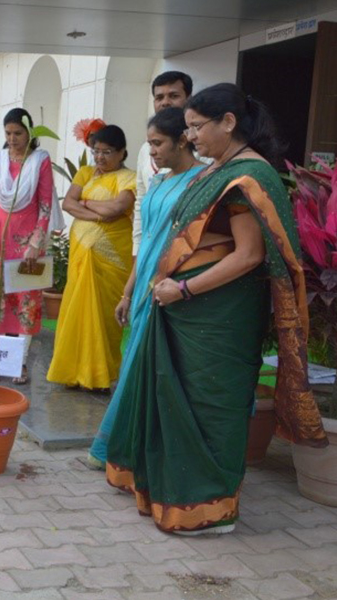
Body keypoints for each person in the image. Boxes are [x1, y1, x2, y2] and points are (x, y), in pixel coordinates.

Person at [106, 83, 329, 535]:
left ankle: (210, 508)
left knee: (211, 406)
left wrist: (184, 292)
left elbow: (247, 256)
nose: (190, 138)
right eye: (186, 129)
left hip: (218, 320)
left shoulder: (248, 176)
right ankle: (174, 494)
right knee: (180, 402)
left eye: (196, 127)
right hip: (190, 313)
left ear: (229, 122)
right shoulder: (220, 168)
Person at [86, 108, 205, 468]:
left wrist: (175, 285)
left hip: (172, 283)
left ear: (183, 140)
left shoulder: (202, 181)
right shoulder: (158, 182)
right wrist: (127, 292)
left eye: (157, 143)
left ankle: (130, 450)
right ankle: (127, 448)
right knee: (135, 363)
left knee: (150, 365)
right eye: (149, 143)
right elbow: (146, 238)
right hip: (144, 282)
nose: (151, 151)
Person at [47, 125, 136, 390]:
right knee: (76, 308)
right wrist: (99, 213)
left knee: (104, 314)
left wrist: (84, 204)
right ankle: (72, 373)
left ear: (122, 153)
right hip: (80, 254)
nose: (100, 157)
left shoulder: (128, 177)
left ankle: (98, 376)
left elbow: (119, 207)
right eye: (96, 151)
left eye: (107, 152)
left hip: (112, 257)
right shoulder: (85, 173)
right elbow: (68, 203)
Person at [0, 108, 56, 385]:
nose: (12, 139)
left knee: (26, 304)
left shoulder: (39, 161)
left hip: (27, 248)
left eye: (18, 134)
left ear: (30, 133)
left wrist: (36, 242)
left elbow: (45, 204)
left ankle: (19, 364)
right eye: (8, 134)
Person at [134, 71, 194, 255]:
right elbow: (141, 200)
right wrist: (137, 250)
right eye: (159, 97)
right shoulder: (145, 149)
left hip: (184, 251)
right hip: (149, 249)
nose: (165, 102)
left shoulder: (203, 148)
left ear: (189, 98)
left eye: (173, 96)